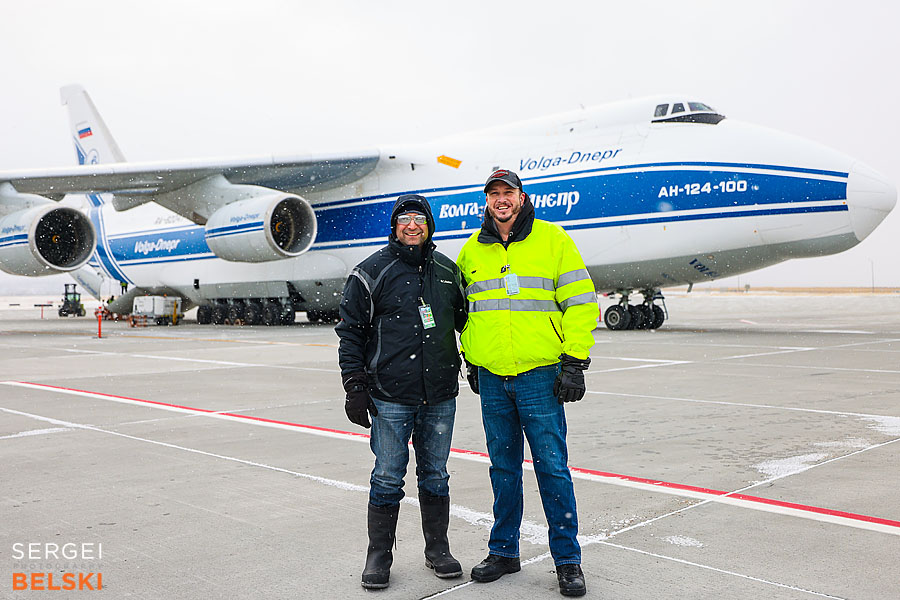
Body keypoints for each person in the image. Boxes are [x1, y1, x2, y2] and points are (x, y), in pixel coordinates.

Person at [457, 169, 598, 597]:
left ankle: (567, 561)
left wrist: (575, 360)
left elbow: (580, 301)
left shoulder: (553, 239)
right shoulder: (471, 251)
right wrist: (471, 359)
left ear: (521, 197)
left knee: (552, 468)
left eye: (509, 193)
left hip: (540, 375)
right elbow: (464, 313)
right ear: (487, 201)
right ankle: (504, 551)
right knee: (503, 468)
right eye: (494, 193)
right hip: (493, 379)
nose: (502, 199)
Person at [336, 194, 468, 589]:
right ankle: (379, 556)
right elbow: (350, 333)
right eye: (405, 219)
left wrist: (474, 365)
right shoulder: (371, 271)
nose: (412, 225)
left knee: (436, 476)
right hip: (390, 395)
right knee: (388, 477)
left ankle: (438, 550)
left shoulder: (447, 271)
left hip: (440, 394)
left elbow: (466, 323)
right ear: (394, 226)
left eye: (420, 219)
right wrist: (354, 385)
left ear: (430, 226)